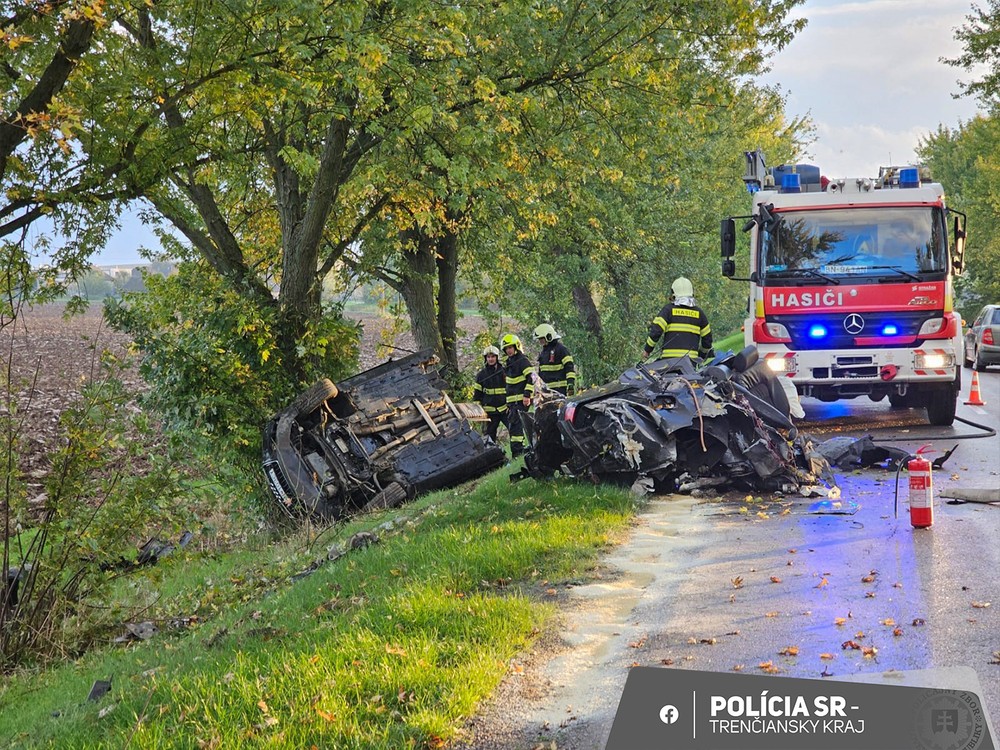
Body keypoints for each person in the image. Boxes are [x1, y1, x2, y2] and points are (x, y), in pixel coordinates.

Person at [641, 276, 714, 363]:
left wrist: (647, 350)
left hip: (668, 363)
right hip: (690, 363)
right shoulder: (699, 314)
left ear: (673, 293)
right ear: (691, 292)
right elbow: (707, 340)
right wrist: (701, 355)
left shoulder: (668, 311)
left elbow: (656, 331)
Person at [500, 333, 535, 457]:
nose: (508, 350)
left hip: (521, 399)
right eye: (506, 348)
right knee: (514, 425)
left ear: (516, 346)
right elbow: (509, 386)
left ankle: (518, 452)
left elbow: (531, 378)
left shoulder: (522, 360)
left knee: (516, 425)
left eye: (510, 347)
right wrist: (508, 403)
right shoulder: (509, 363)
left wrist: (527, 395)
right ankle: (520, 450)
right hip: (512, 402)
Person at [472, 345, 507, 442]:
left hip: (505, 409)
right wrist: (479, 412)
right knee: (490, 436)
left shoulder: (505, 372)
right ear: (485, 358)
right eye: (488, 357)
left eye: (493, 356)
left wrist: (510, 405)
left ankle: (517, 452)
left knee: (514, 431)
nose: (490, 359)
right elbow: (477, 396)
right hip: (490, 412)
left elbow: (511, 390)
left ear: (497, 357)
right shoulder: (481, 375)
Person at [533, 323, 577, 395]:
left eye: (541, 338)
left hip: (560, 390)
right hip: (547, 391)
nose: (540, 341)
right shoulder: (543, 353)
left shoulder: (561, 349)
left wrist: (570, 384)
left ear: (549, 336)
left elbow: (569, 368)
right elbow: (541, 373)